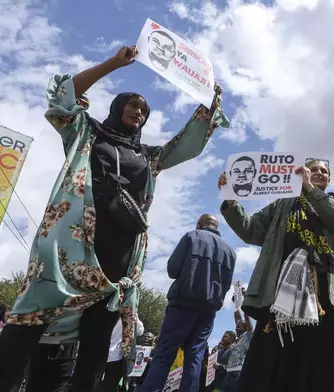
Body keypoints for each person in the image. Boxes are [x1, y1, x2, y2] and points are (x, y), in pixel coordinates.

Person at [0, 45, 230, 392]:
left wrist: (210, 104)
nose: (138, 112)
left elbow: (188, 144)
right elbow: (63, 96)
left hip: (118, 263)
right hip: (67, 254)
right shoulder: (86, 133)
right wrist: (113, 64)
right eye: (133, 104)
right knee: (22, 329)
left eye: (144, 110)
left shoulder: (148, 157)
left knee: (93, 354)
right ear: (117, 105)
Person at [218, 158, 334, 392]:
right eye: (312, 169)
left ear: (329, 178)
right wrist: (231, 203)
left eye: (324, 171)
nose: (318, 173)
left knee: (323, 363)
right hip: (281, 293)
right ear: (301, 171)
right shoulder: (283, 204)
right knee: (273, 359)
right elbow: (251, 230)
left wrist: (310, 188)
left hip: (326, 293)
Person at [139, 214, 236, 392]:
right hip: (208, 311)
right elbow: (227, 285)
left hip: (182, 304)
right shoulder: (230, 252)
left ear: (200, 223)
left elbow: (172, 269)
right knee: (195, 357)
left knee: (165, 353)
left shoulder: (192, 236)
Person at [220, 290, 254, 392]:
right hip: (228, 375)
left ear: (245, 328)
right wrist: (236, 304)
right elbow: (237, 317)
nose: (236, 328)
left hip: (238, 374)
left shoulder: (248, 336)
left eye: (239, 326)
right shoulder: (236, 340)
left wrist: (245, 300)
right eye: (236, 326)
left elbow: (245, 317)